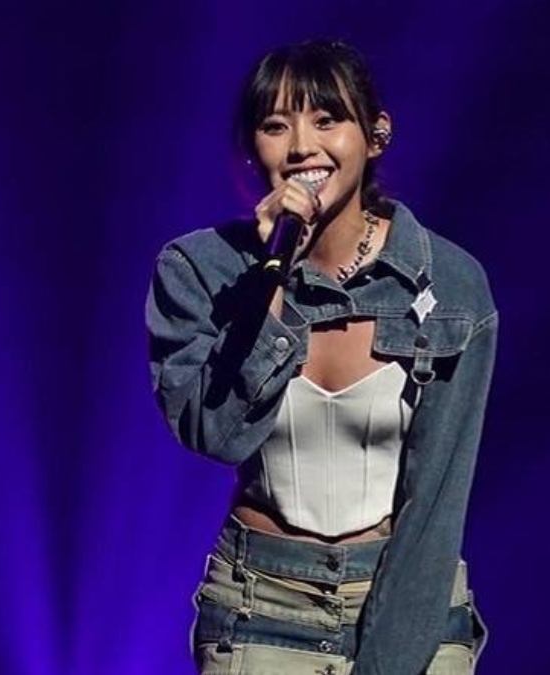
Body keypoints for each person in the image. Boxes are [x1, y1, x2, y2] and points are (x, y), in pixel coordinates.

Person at [145, 39, 497, 675]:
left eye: (327, 119)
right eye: (276, 125)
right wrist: (271, 280)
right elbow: (215, 434)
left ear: (376, 134)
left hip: (408, 594)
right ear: (252, 148)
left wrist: (389, 663)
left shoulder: (450, 283)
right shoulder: (201, 269)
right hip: (261, 602)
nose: (302, 146)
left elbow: (438, 502)